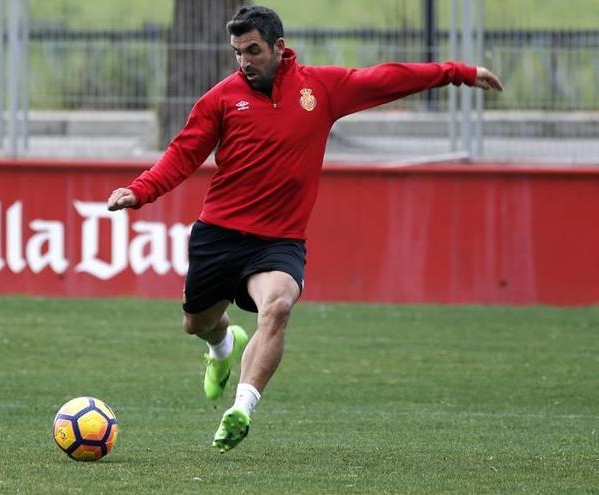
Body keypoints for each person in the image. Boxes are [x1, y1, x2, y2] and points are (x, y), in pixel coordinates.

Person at [107, 5, 503, 453]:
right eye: (237, 52)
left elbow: (387, 78)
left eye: (253, 50)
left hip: (279, 241)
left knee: (276, 307)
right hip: (218, 234)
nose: (245, 61)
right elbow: (183, 155)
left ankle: (242, 408)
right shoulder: (220, 99)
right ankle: (221, 345)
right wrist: (139, 191)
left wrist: (458, 72)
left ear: (279, 46)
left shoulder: (321, 89)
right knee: (195, 323)